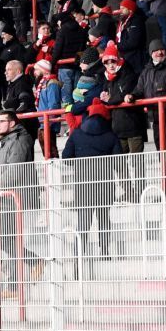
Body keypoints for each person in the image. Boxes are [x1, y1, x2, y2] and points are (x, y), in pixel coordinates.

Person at [60, 101, 120, 259]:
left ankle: (79, 254)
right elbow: (119, 162)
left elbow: (65, 158)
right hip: (105, 185)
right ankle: (105, 252)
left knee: (83, 221)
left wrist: (80, 164)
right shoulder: (111, 136)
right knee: (104, 218)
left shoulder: (77, 134)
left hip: (83, 184)